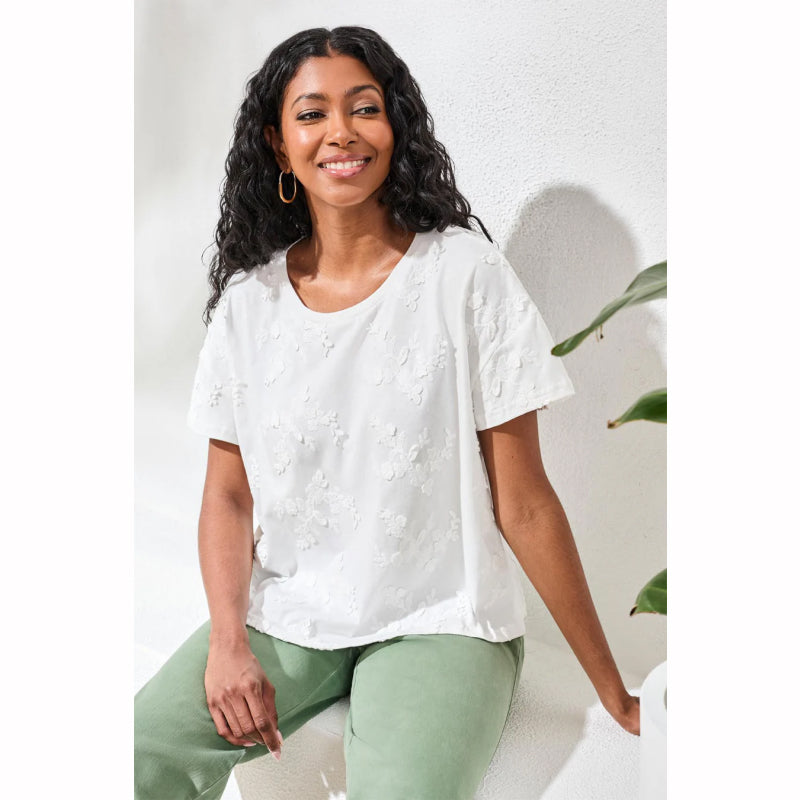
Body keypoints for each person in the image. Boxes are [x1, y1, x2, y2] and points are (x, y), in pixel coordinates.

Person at [134, 25, 640, 800]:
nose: (341, 131)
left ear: (394, 125)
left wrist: (614, 689)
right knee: (130, 754)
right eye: (312, 114)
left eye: (364, 107)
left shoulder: (465, 276)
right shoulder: (248, 304)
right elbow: (228, 497)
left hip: (441, 620)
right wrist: (228, 642)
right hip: (288, 611)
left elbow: (527, 503)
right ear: (277, 145)